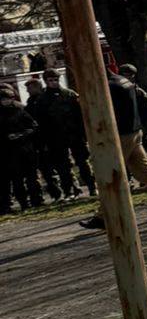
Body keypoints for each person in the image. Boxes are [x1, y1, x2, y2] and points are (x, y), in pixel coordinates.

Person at [79, 63, 147, 227]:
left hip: (121, 135)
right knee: (144, 171)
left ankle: (103, 216)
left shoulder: (107, 86)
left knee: (110, 173)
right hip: (134, 132)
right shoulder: (122, 81)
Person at [32, 68, 92, 198]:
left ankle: (92, 186)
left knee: (83, 162)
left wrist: (84, 134)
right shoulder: (42, 100)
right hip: (56, 137)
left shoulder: (69, 94)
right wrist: (45, 141)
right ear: (46, 81)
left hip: (74, 134)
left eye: (56, 80)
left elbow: (80, 116)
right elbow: (41, 122)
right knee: (63, 166)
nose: (54, 82)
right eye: (50, 80)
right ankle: (69, 191)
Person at [0, 81, 46, 214]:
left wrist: (21, 135)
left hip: (25, 148)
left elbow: (33, 126)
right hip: (9, 152)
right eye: (3, 99)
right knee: (17, 179)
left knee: (32, 177)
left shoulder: (20, 110)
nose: (5, 102)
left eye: (7, 99)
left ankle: (36, 200)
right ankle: (23, 203)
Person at [24, 75, 70, 201]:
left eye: (30, 88)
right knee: (47, 170)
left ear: (37, 87)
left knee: (62, 166)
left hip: (52, 138)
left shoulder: (46, 100)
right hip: (39, 141)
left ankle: (69, 190)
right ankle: (56, 193)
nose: (28, 91)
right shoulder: (30, 104)